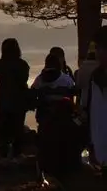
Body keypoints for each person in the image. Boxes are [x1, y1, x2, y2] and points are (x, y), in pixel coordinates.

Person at [32, 53, 78, 185]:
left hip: (44, 118)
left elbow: (33, 94)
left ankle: (43, 173)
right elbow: (72, 93)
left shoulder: (39, 79)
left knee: (44, 147)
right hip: (62, 119)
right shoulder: (66, 79)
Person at [0, 38, 30, 159]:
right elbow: (24, 80)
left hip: (4, 98)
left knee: (4, 127)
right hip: (19, 99)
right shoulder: (23, 64)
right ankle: (17, 152)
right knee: (18, 126)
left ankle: (4, 152)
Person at [85, 29, 107, 178]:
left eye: (100, 48)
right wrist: (91, 143)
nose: (98, 53)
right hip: (100, 147)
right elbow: (92, 111)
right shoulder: (96, 76)